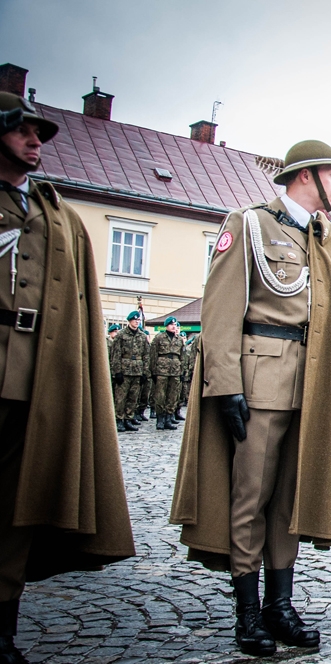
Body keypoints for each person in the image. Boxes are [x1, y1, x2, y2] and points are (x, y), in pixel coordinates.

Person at [170, 140, 331, 657]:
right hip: (261, 381)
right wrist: (225, 385)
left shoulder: (330, 240)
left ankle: (279, 606)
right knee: (251, 497)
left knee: (289, 500)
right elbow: (220, 309)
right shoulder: (250, 224)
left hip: (314, 385)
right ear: (306, 175)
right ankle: (247, 611)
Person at [0, 91, 134, 664]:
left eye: (40, 133)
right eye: (22, 130)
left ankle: (2, 626)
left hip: (36, 377)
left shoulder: (54, 212)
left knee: (18, 505)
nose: (36, 141)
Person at [111, 311, 149, 432]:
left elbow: (146, 355)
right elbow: (116, 354)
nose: (137, 322)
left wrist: (144, 372)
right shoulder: (121, 335)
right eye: (135, 320)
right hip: (124, 370)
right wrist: (117, 372)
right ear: (129, 321)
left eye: (138, 320)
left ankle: (128, 418)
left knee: (133, 397)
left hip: (137, 370)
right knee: (121, 397)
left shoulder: (142, 336)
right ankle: (119, 419)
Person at [149, 317, 184, 431]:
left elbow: (182, 356)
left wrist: (182, 371)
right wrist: (153, 371)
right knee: (160, 395)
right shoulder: (159, 337)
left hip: (175, 370)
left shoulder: (179, 339)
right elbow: (153, 355)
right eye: (171, 324)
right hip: (161, 370)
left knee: (172, 396)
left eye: (175, 325)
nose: (174, 326)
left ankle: (169, 418)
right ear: (166, 326)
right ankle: (160, 419)